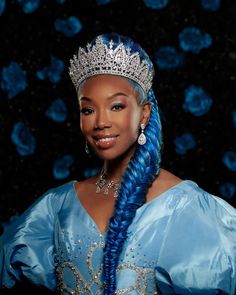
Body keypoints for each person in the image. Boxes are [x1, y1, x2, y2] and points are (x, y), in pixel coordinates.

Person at [0, 32, 235, 295]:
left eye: (116, 107)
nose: (100, 122)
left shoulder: (182, 205)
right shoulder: (57, 205)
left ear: (143, 113)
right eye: (88, 110)